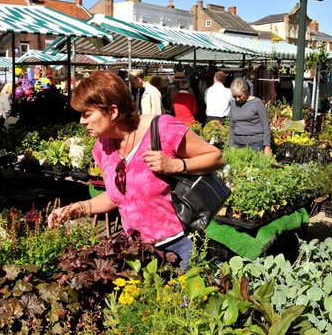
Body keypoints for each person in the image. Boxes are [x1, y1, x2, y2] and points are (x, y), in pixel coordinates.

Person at [48, 71, 224, 268]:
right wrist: (77, 208)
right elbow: (115, 197)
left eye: (87, 114)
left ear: (112, 111)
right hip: (139, 251)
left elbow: (216, 157)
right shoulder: (101, 148)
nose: (81, 121)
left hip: (181, 244)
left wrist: (175, 165)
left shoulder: (162, 128)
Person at [228, 77, 271, 155]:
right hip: (237, 143)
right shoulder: (233, 105)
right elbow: (232, 126)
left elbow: (266, 126)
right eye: (234, 97)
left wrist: (267, 146)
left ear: (245, 91)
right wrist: (231, 145)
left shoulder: (257, 103)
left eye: (239, 96)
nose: (237, 99)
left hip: (255, 144)